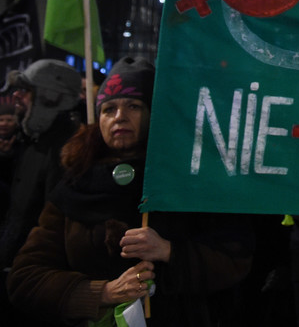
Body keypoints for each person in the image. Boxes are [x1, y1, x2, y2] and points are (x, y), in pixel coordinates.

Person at [6, 57, 254, 326]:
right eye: (108, 109)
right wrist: (103, 292)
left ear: (154, 114)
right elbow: (25, 278)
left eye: (134, 106)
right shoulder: (74, 185)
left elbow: (234, 260)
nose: (119, 117)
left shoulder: (190, 180)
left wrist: (169, 251)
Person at [0, 60, 81, 271]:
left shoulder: (67, 150)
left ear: (50, 98)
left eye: (26, 90)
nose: (17, 96)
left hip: (33, 272)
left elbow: (52, 228)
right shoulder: (34, 139)